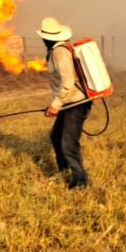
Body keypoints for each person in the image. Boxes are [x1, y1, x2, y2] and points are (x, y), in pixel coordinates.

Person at [38, 16, 92, 189]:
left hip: (75, 103)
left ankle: (80, 182)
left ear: (47, 38)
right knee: (56, 136)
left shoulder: (59, 53)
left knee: (69, 144)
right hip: (69, 102)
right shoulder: (57, 50)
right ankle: (64, 170)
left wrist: (55, 105)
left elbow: (68, 82)